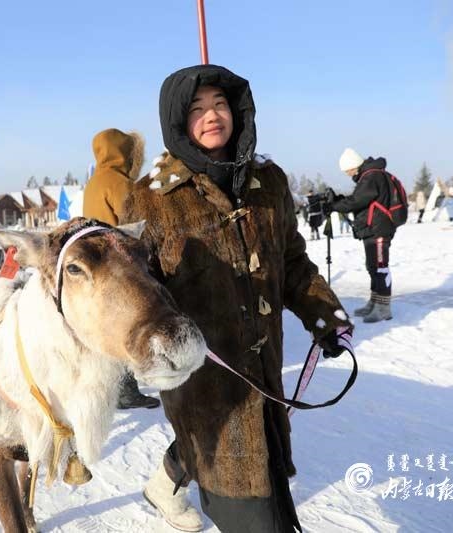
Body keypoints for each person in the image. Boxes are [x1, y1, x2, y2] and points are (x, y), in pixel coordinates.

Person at [122, 64, 351, 533]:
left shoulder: (269, 181)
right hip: (204, 390)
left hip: (265, 379)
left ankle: (169, 484)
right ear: (177, 121)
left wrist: (323, 312)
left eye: (220, 104)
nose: (212, 116)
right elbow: (135, 295)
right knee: (251, 511)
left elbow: (291, 259)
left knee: (269, 487)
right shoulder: (149, 199)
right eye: (197, 108)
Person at [83, 127, 160, 410]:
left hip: (100, 261)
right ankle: (127, 392)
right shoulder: (119, 183)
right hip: (121, 261)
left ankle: (117, 389)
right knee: (131, 319)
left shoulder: (94, 182)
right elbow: (137, 222)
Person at [330, 148, 398, 322]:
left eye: (347, 170)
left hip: (379, 229)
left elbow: (357, 201)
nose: (347, 174)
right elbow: (360, 200)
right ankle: (374, 302)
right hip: (371, 229)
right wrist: (338, 200)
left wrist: (334, 205)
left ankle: (383, 308)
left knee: (380, 267)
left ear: (353, 165)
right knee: (372, 266)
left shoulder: (371, 176)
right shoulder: (367, 176)